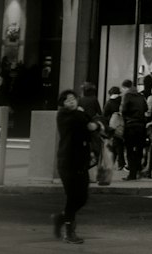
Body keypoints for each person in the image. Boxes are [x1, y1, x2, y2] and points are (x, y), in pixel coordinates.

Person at [54, 88, 100, 244]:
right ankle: (69, 232)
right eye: (68, 100)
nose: (72, 101)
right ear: (63, 103)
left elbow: (93, 124)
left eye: (73, 98)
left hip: (81, 162)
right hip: (67, 162)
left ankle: (61, 217)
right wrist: (87, 119)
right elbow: (81, 122)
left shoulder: (79, 114)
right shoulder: (63, 116)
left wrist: (94, 124)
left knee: (82, 198)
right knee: (73, 197)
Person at [120, 78, 148, 180]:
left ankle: (132, 174)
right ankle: (138, 170)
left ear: (125, 87)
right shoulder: (141, 96)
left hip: (131, 125)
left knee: (130, 150)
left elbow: (124, 110)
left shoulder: (127, 96)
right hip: (141, 126)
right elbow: (145, 108)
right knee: (139, 149)